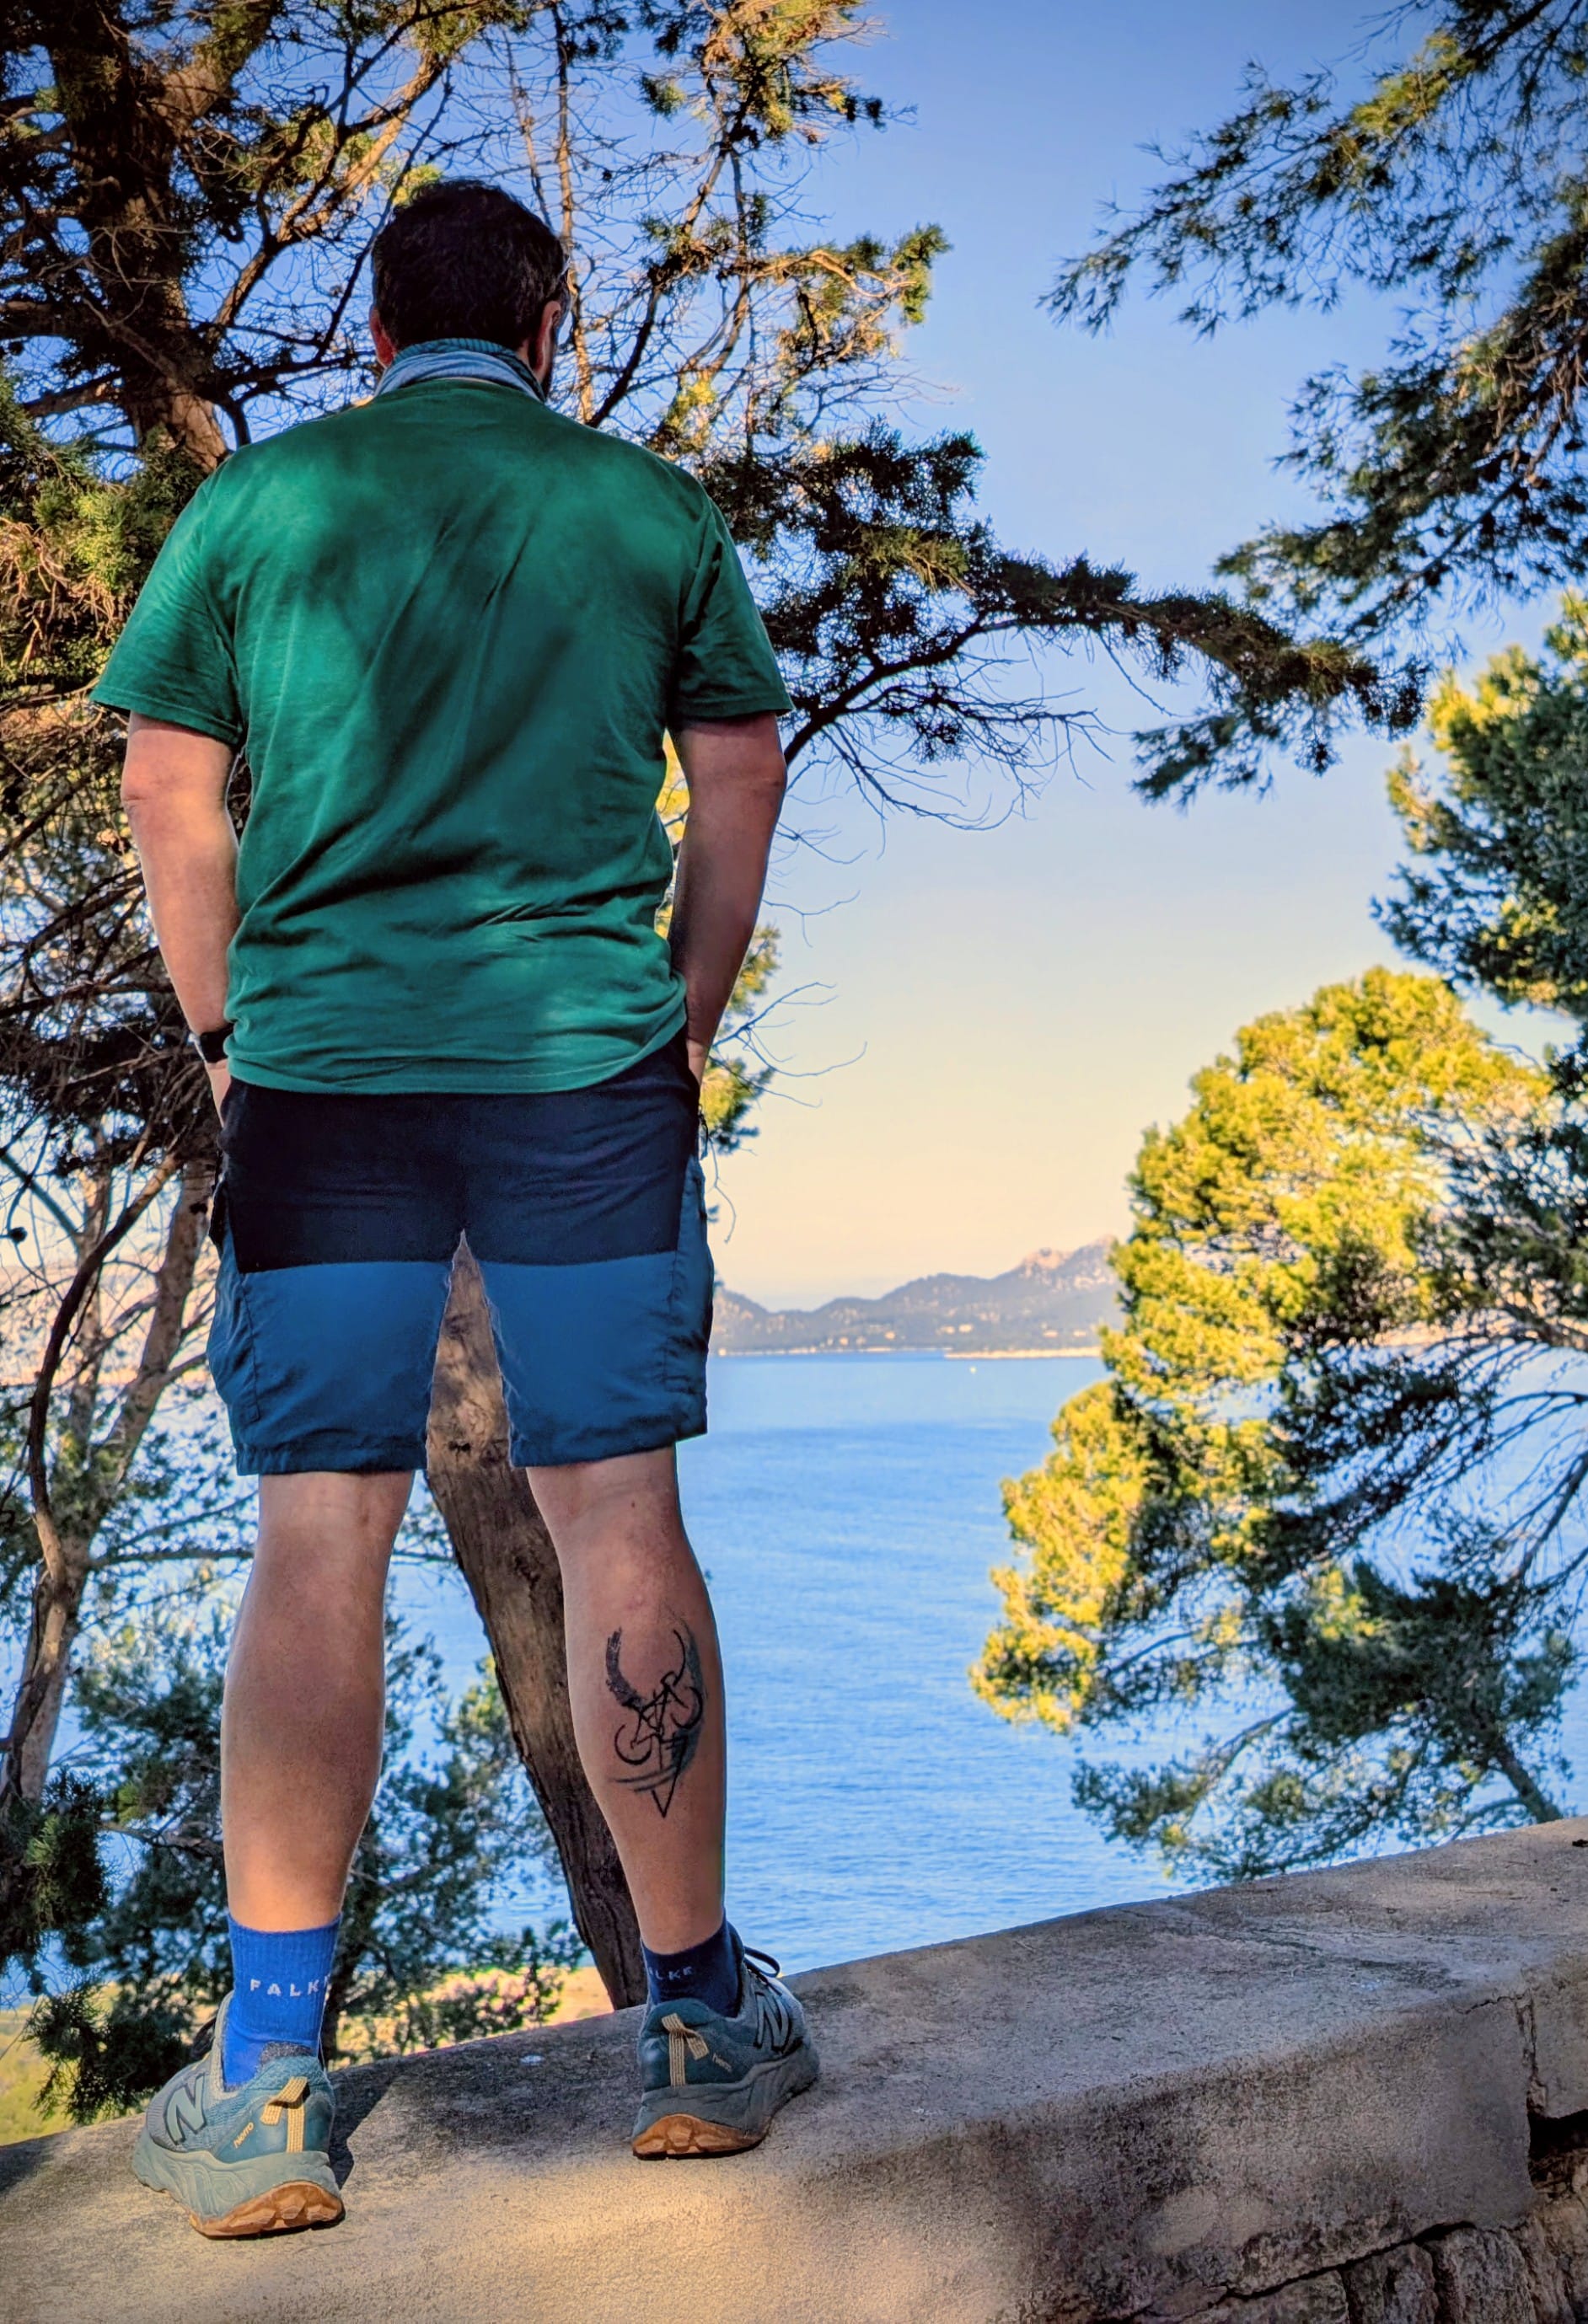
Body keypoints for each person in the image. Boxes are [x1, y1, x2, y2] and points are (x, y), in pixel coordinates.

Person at [95, 178, 817, 2241]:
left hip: (325, 1067)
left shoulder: (258, 504)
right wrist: (679, 1012)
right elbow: (741, 771)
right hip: (579, 1066)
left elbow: (167, 784)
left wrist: (232, 1038)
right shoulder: (642, 507)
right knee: (619, 1516)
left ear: (374, 324)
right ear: (549, 322)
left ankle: (266, 2081)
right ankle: (696, 2025)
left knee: (317, 1530)